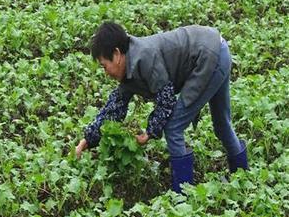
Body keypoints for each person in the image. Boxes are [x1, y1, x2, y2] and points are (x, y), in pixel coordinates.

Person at [76, 22, 248, 193]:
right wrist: (88, 140)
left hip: (208, 57)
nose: (106, 73)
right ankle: (242, 178)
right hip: (218, 47)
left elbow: (166, 102)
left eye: (105, 66)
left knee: (173, 127)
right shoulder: (129, 66)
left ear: (117, 54)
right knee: (221, 123)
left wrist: (149, 133)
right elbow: (114, 108)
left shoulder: (145, 59)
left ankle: (182, 195)